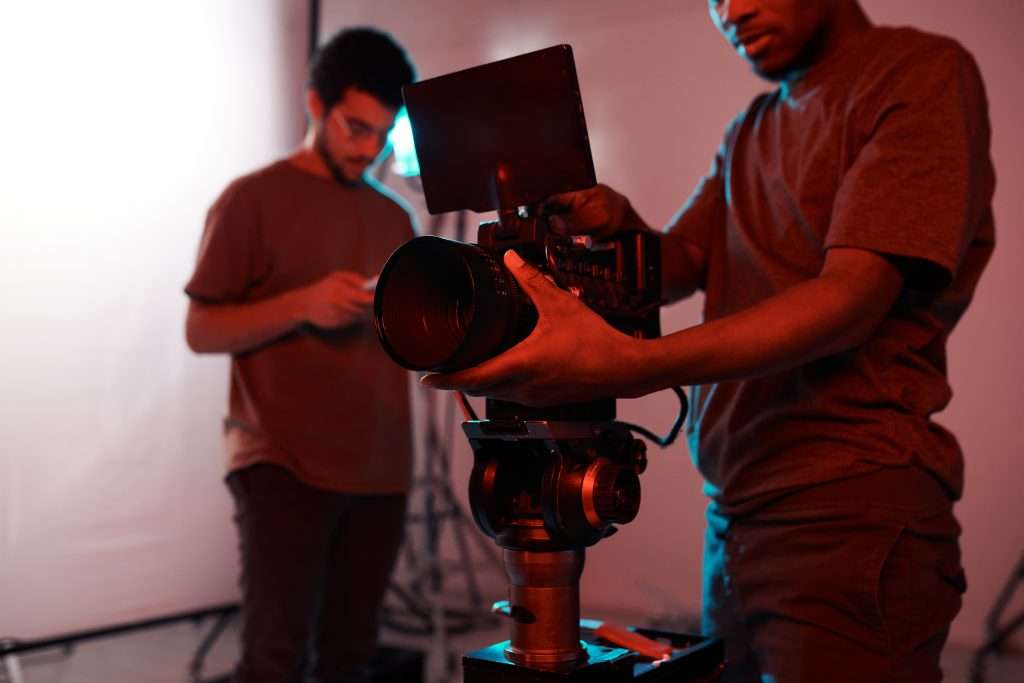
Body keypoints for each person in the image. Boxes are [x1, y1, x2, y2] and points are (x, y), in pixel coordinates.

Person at [424, 1, 994, 681]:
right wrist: (620, 224)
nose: (732, 11)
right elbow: (677, 261)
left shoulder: (919, 75)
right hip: (734, 521)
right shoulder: (752, 129)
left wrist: (634, 365)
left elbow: (852, 298)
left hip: (848, 518)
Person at [184, 28, 416, 683]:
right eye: (355, 128)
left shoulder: (395, 219)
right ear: (314, 104)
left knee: (350, 661)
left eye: (383, 133)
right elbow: (201, 328)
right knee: (275, 661)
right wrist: (301, 304)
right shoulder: (250, 200)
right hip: (281, 466)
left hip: (380, 470)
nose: (369, 149)